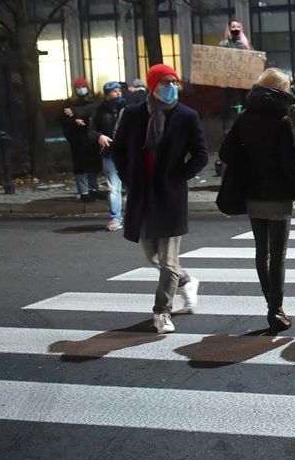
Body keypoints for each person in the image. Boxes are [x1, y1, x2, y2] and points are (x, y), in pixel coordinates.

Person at [111, 63, 208, 335]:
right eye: (164, 83)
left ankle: (161, 312)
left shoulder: (186, 116)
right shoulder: (133, 115)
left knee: (168, 262)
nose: (170, 87)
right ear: (153, 86)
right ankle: (187, 281)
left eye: (173, 82)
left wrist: (179, 176)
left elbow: (201, 154)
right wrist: (127, 177)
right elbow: (118, 150)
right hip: (143, 197)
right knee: (152, 256)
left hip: (171, 198)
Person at [220, 68, 295, 331]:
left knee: (262, 253)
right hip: (278, 194)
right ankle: (276, 309)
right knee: (278, 254)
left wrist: (247, 161)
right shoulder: (282, 120)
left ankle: (270, 304)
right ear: (281, 90)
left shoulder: (244, 117)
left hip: (253, 192)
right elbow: (291, 165)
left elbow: (226, 152)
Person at [89, 81, 126, 231]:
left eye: (119, 90)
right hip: (109, 153)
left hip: (127, 153)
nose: (118, 93)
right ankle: (115, 217)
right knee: (113, 187)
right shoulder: (99, 110)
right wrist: (99, 136)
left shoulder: (127, 107)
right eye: (114, 91)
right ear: (107, 94)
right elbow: (91, 131)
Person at [61, 76, 101, 201]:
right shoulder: (69, 103)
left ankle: (93, 188)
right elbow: (62, 119)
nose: (81, 89)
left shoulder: (93, 101)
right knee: (81, 165)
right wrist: (74, 121)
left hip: (91, 138)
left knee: (93, 164)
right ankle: (84, 191)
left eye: (83, 87)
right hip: (78, 139)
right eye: (79, 87)